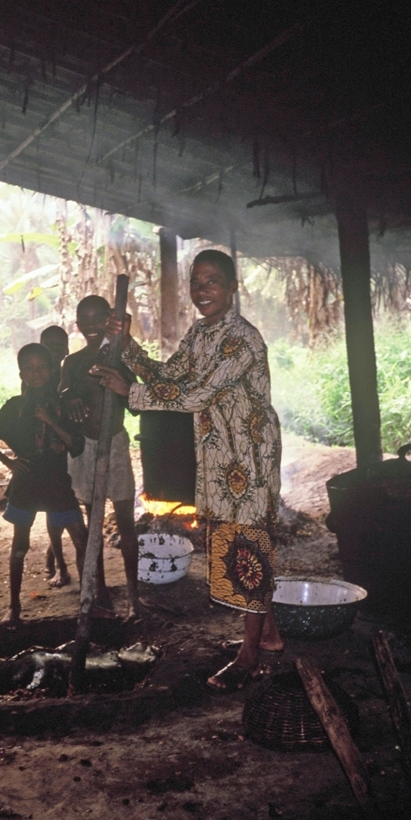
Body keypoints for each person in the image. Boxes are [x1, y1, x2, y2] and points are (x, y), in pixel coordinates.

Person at [95, 249, 284, 690]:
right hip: (220, 459)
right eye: (196, 282)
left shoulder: (244, 339)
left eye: (212, 281)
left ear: (233, 287)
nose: (202, 290)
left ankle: (249, 655)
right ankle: (269, 635)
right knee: (238, 544)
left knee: (248, 547)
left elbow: (197, 394)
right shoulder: (200, 334)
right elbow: (171, 377)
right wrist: (129, 349)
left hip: (250, 459)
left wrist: (132, 393)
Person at [0, 343, 87, 625]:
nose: (37, 373)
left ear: (51, 370)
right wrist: (9, 462)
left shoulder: (64, 404)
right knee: (19, 547)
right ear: (21, 374)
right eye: (30, 368)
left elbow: (76, 446)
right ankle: (13, 607)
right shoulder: (15, 406)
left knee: (81, 539)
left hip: (57, 483)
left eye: (42, 367)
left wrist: (52, 421)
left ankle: (90, 601)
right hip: (26, 483)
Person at [59, 295, 140, 617]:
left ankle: (134, 595)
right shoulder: (74, 363)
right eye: (85, 319)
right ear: (77, 324)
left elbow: (135, 401)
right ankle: (101, 593)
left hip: (115, 443)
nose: (92, 326)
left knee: (126, 524)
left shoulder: (119, 355)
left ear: (109, 319)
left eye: (98, 319)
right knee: (93, 525)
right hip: (88, 447)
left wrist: (120, 378)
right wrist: (70, 398)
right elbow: (62, 393)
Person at [39, 325, 73, 588]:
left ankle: (53, 553)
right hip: (48, 452)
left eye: (59, 345)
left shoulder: (69, 373)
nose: (54, 350)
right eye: (48, 345)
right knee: (54, 508)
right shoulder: (37, 377)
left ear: (66, 349)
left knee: (65, 506)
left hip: (70, 448)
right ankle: (61, 566)